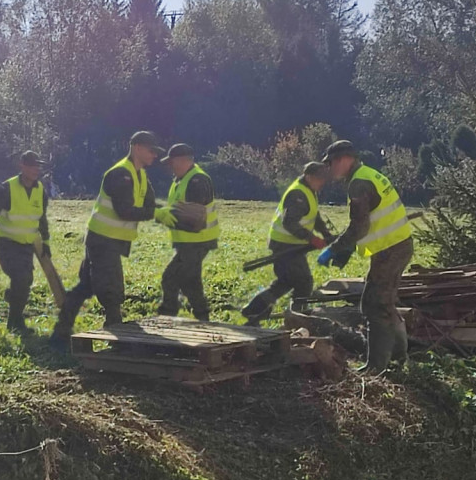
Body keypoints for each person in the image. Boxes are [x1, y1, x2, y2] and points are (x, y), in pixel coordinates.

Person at [50, 131, 164, 348]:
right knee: (112, 289)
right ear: (137, 147)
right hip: (103, 240)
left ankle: (60, 334)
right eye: (151, 151)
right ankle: (117, 334)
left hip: (109, 239)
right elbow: (125, 211)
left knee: (86, 286)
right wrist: (159, 213)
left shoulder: (140, 176)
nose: (155, 156)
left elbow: (150, 206)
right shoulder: (120, 174)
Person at [319, 140, 414, 372]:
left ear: (343, 159)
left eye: (331, 164)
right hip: (396, 245)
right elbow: (370, 221)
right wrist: (348, 250)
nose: (330, 170)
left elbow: (359, 228)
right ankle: (400, 357)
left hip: (390, 249)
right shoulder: (369, 174)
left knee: (374, 305)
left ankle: (376, 367)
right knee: (385, 302)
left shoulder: (359, 183)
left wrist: (336, 248)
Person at [241, 162, 334, 325]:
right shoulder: (298, 193)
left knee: (286, 281)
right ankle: (298, 318)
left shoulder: (309, 190)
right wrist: (312, 239)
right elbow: (289, 223)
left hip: (290, 244)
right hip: (285, 245)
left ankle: (254, 309)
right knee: (304, 282)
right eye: (320, 180)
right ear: (309, 176)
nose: (323, 183)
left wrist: (326, 234)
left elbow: (314, 216)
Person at [0, 151, 51, 332]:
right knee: (21, 278)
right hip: (7, 244)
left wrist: (46, 242)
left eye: (38, 166)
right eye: (32, 166)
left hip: (27, 246)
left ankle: (13, 305)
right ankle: (16, 323)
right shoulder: (5, 190)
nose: (36, 169)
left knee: (25, 283)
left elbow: (42, 218)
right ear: (22, 166)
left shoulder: (41, 191)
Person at [155, 143, 219, 321]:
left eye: (172, 162)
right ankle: (202, 317)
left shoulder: (197, 181)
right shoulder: (182, 180)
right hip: (190, 242)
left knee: (171, 278)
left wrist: (161, 215)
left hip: (197, 241)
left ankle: (167, 317)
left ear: (184, 161)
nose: (170, 166)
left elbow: (193, 217)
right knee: (190, 282)